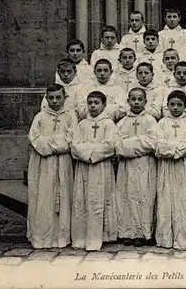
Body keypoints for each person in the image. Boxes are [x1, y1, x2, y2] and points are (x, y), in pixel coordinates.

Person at [27, 84, 78, 249]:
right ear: (46, 98)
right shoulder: (40, 117)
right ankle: (42, 237)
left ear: (64, 98)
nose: (55, 101)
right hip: (43, 163)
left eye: (58, 97)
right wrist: (55, 143)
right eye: (51, 98)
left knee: (63, 196)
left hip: (63, 162)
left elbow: (71, 139)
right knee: (43, 196)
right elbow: (34, 139)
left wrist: (49, 142)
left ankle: (61, 237)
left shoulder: (70, 116)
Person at [71, 91, 118, 251]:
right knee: (82, 200)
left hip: (101, 167)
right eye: (90, 103)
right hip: (84, 167)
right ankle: (80, 237)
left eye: (96, 103)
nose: (92, 106)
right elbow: (75, 145)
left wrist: (92, 154)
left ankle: (101, 237)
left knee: (99, 199)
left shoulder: (109, 124)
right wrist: (87, 154)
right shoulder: (82, 124)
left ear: (104, 105)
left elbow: (110, 145)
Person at [155, 90, 186, 249]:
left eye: (179, 105)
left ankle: (182, 236)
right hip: (166, 167)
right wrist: (176, 149)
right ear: (167, 105)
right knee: (166, 198)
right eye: (172, 104)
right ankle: (165, 238)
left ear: (185, 106)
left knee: (182, 199)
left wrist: (172, 150)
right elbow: (158, 144)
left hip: (183, 166)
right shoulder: (162, 123)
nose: (175, 108)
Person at [115, 87, 158, 247]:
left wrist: (129, 144)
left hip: (145, 164)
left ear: (146, 102)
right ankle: (127, 232)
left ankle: (143, 233)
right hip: (126, 166)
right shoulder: (122, 122)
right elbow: (117, 144)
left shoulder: (150, 121)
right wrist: (138, 142)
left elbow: (152, 142)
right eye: (133, 99)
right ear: (128, 101)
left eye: (140, 99)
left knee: (144, 197)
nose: (136, 102)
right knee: (126, 196)